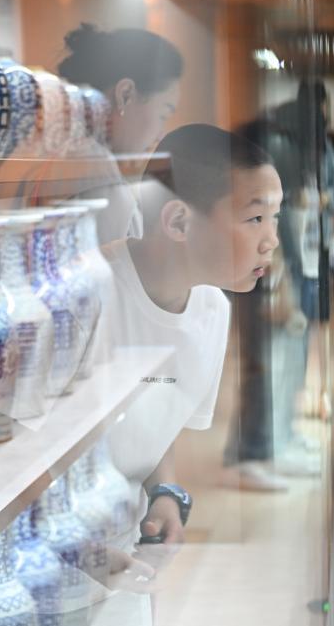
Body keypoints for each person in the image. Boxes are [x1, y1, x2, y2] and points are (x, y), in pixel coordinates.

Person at [99, 124, 282, 560]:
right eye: (255, 218)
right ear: (178, 221)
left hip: (127, 551)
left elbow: (156, 428)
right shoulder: (90, 295)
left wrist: (164, 493)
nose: (272, 240)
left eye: (275, 217)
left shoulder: (212, 309)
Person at [57, 24, 184, 242]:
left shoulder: (60, 148)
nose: (160, 135)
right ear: (125, 94)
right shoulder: (97, 171)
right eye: (163, 114)